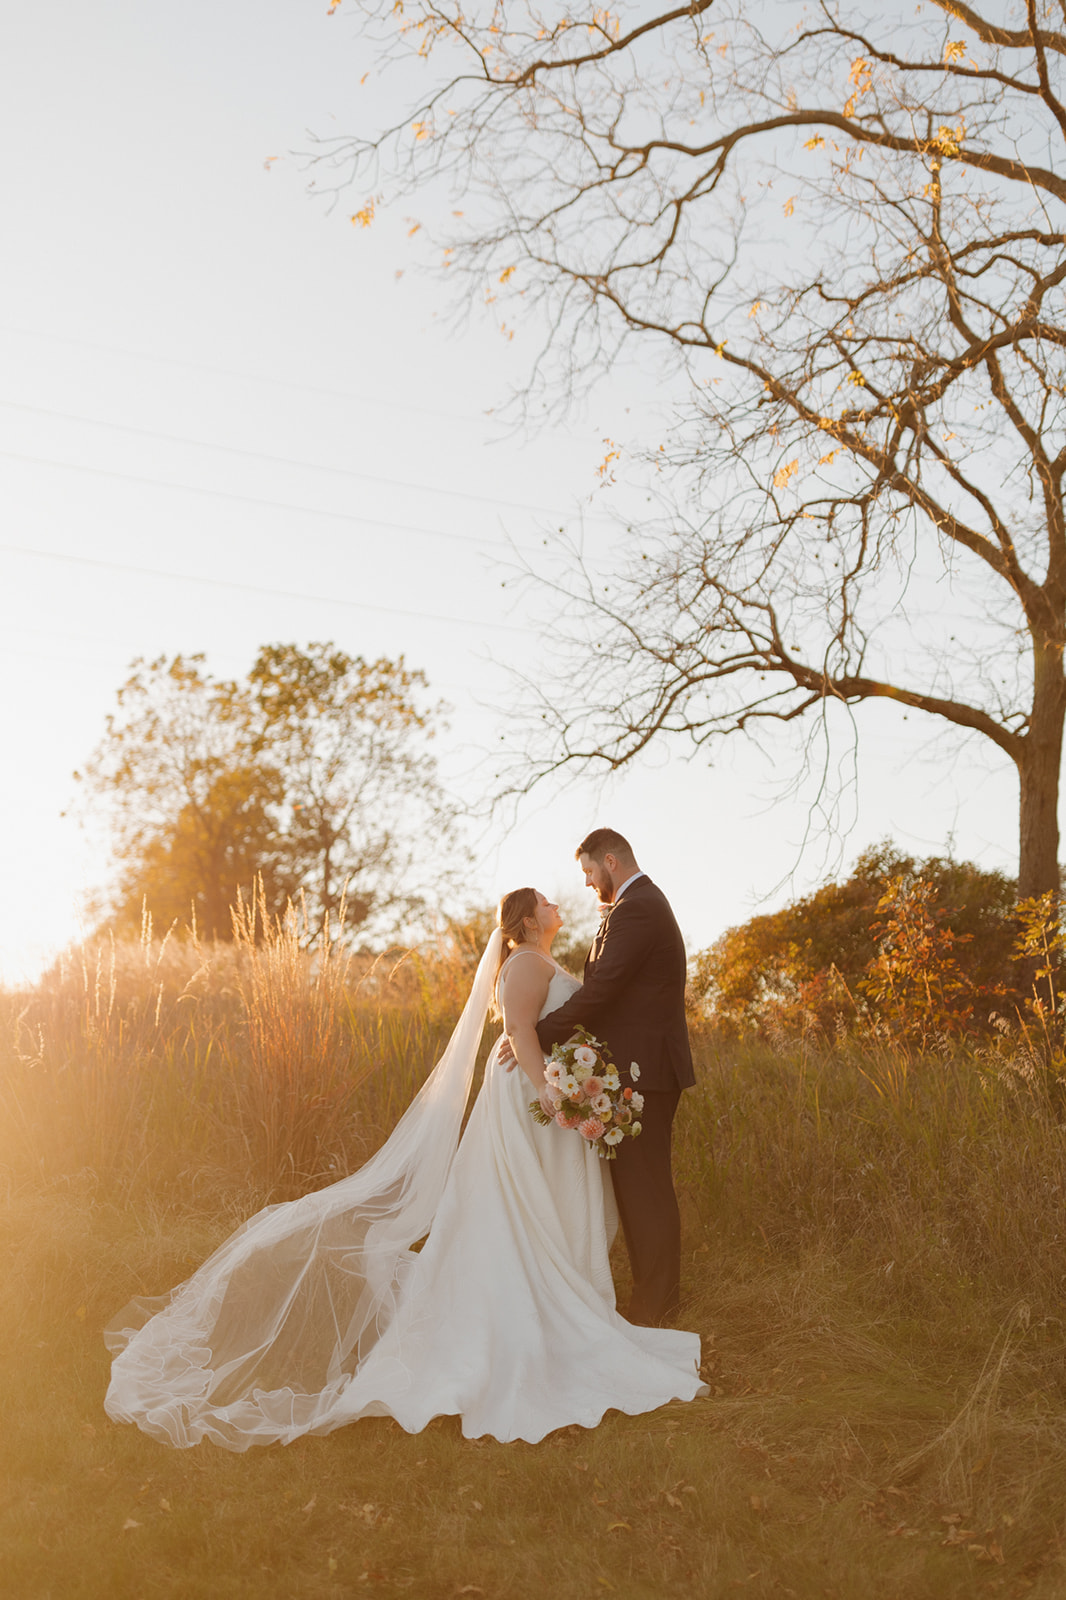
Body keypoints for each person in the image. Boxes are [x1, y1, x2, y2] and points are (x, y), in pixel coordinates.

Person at [104, 886, 706, 1449]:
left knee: (541, 1205)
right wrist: (546, 1088)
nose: (556, 904)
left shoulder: (540, 962)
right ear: (527, 920)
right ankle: (532, 1313)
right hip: (529, 1099)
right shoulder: (524, 963)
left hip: (543, 1094)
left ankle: (560, 1298)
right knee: (523, 1206)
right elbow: (520, 1029)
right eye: (546, 901)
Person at [534, 830, 695, 1327]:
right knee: (635, 1186)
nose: (587, 883)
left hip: (647, 1071)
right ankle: (651, 1296)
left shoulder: (639, 908)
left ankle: (657, 1305)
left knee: (644, 1187)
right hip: (635, 1071)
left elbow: (602, 991)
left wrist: (538, 1034)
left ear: (610, 861)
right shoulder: (629, 909)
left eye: (588, 873)